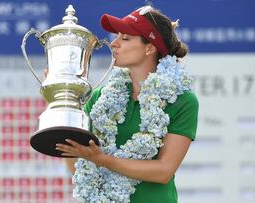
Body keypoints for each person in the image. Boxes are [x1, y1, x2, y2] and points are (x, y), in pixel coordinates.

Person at [55, 5, 199, 203]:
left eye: (125, 38)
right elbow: (79, 166)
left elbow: (164, 171)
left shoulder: (182, 100)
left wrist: (103, 160)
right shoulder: (101, 97)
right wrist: (63, 105)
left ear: (149, 47)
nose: (114, 44)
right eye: (117, 37)